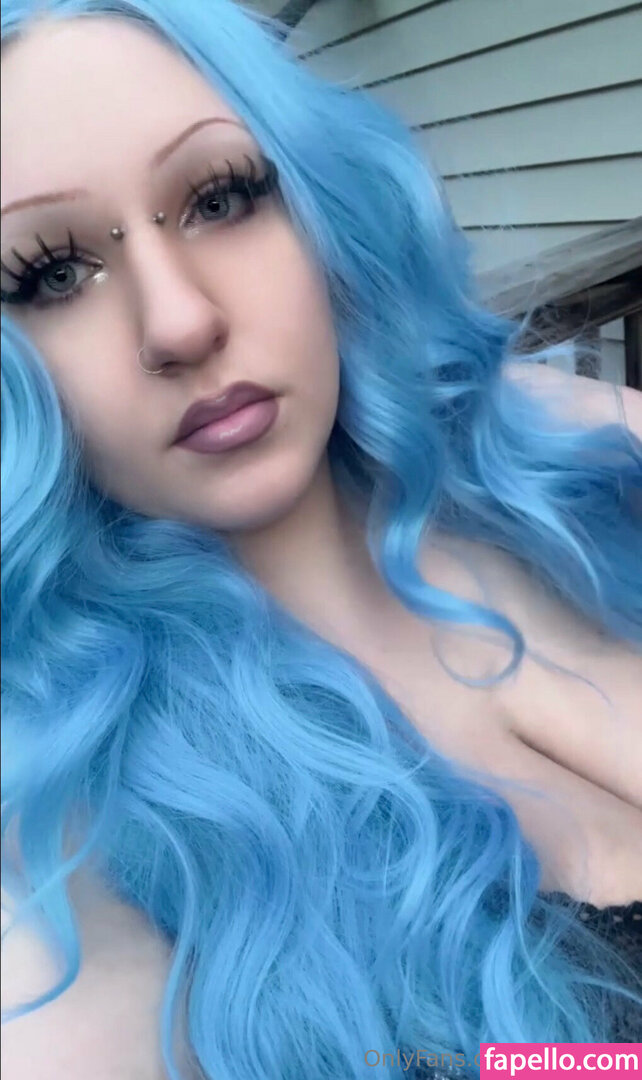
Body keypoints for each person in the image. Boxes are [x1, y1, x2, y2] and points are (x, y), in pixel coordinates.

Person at [1, 2, 641, 1078]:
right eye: (52, 275)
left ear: (320, 205)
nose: (180, 322)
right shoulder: (74, 859)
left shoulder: (568, 474)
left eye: (219, 198)